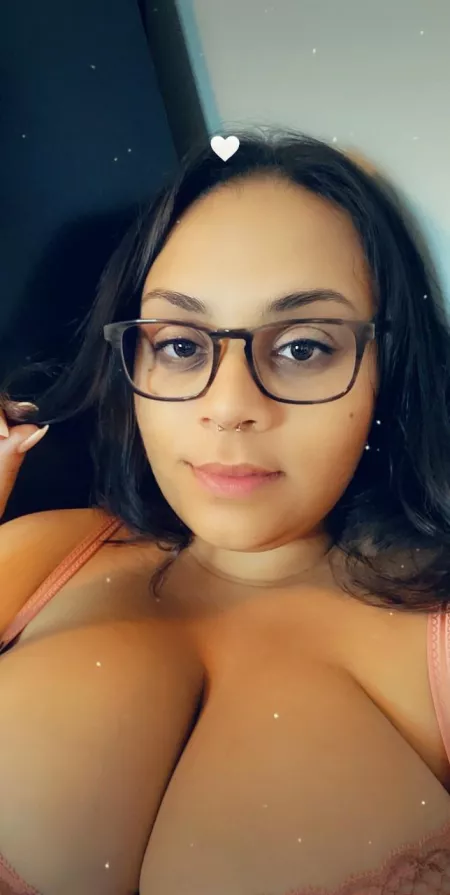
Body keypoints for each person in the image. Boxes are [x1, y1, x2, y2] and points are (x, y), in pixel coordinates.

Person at [0, 128, 450, 895]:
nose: (229, 404)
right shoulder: (42, 553)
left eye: (303, 347)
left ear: (390, 370)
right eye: (181, 344)